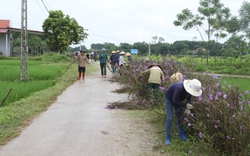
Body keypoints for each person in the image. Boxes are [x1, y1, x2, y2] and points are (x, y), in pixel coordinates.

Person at [164, 79, 202, 145]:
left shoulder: (190, 90)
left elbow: (189, 98)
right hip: (169, 99)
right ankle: (168, 137)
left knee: (180, 116)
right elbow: (174, 101)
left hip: (178, 99)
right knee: (170, 118)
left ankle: (181, 133)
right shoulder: (179, 88)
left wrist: (190, 105)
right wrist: (185, 105)